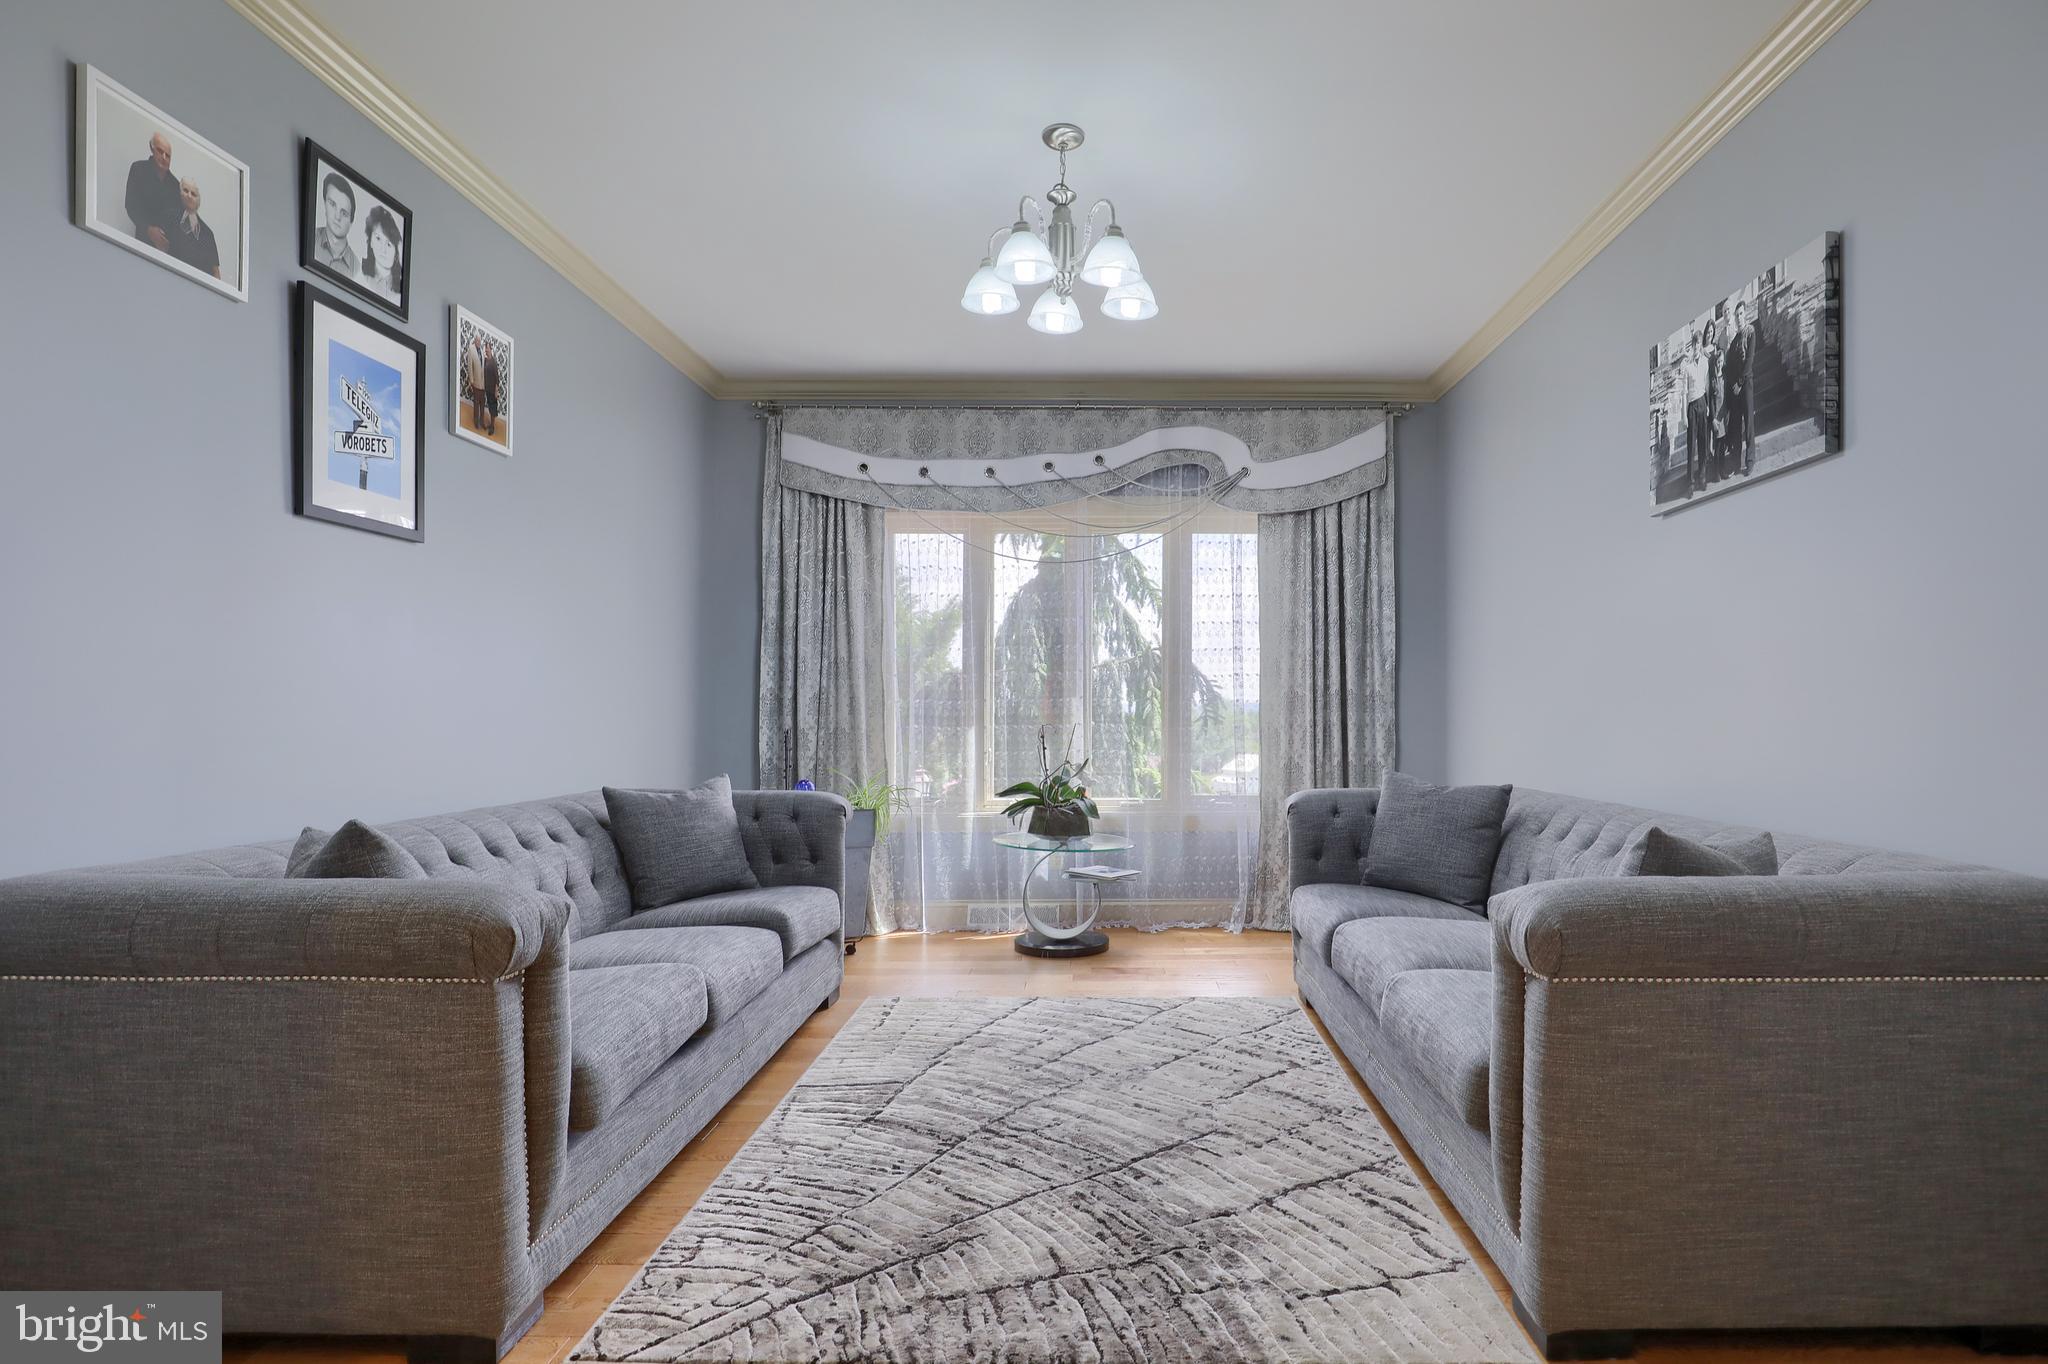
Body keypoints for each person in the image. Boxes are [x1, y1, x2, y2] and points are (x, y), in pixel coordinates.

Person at [124, 132, 181, 254]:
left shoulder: (176, 185)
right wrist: (148, 230)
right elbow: (131, 205)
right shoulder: (138, 169)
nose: (164, 157)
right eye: (160, 151)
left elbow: (178, 221)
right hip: (142, 245)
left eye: (168, 155)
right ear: (152, 149)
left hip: (169, 252)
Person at [1722, 299, 1757, 475]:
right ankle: (1735, 463)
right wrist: (1733, 383)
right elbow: (1730, 366)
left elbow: (1749, 359)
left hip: (1747, 384)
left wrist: (1741, 383)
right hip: (1736, 388)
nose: (1739, 317)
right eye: (1736, 315)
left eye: (1741, 314)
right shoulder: (1735, 340)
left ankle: (1750, 460)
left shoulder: (1751, 332)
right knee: (1736, 426)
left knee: (1749, 423)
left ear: (1746, 313)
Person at [167, 178, 221, 280]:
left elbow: (216, 273)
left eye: (193, 194)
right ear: (179, 193)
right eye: (185, 191)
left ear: (198, 201)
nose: (189, 195)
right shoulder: (168, 217)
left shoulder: (208, 234)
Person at [1682, 326, 1714, 493]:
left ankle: (1702, 477)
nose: (1696, 347)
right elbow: (1684, 393)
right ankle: (1690, 483)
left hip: (1702, 404)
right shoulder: (1687, 367)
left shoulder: (1705, 363)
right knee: (1691, 446)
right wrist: (1684, 416)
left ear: (1701, 346)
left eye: (1699, 344)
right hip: (1691, 407)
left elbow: (1706, 385)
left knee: (1703, 443)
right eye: (1694, 344)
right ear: (1692, 346)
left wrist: (1708, 406)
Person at [314, 171, 357, 274]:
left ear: (351, 222)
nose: (337, 217)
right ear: (324, 203)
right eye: (332, 204)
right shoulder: (309, 239)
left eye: (344, 213)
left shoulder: (356, 267)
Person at [360, 204, 402, 304]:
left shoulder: (402, 290)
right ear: (370, 241)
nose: (383, 250)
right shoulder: (359, 273)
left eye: (389, 244)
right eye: (378, 238)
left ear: (396, 251)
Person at [462, 331, 486, 433]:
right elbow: (469, 366)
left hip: (483, 383)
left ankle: (482, 421)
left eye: (480, 341)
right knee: (476, 403)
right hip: (475, 382)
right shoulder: (471, 349)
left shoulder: (482, 349)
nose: (479, 342)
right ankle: (476, 421)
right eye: (477, 340)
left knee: (482, 404)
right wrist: (471, 381)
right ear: (475, 340)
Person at [481, 338, 503, 437]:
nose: (486, 350)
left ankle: (492, 427)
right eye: (485, 348)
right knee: (490, 407)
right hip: (487, 388)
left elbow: (497, 379)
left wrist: (496, 391)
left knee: (493, 409)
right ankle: (490, 424)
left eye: (487, 348)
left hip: (492, 390)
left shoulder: (493, 363)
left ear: (491, 349)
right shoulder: (485, 360)